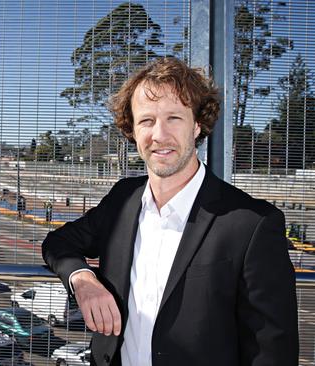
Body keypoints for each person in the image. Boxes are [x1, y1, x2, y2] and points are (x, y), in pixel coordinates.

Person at [42, 57, 298, 366]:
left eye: (174, 118)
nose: (159, 135)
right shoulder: (123, 199)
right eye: (146, 120)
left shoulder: (252, 222)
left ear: (197, 125)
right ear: (132, 131)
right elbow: (58, 244)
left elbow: (272, 352)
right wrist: (82, 280)